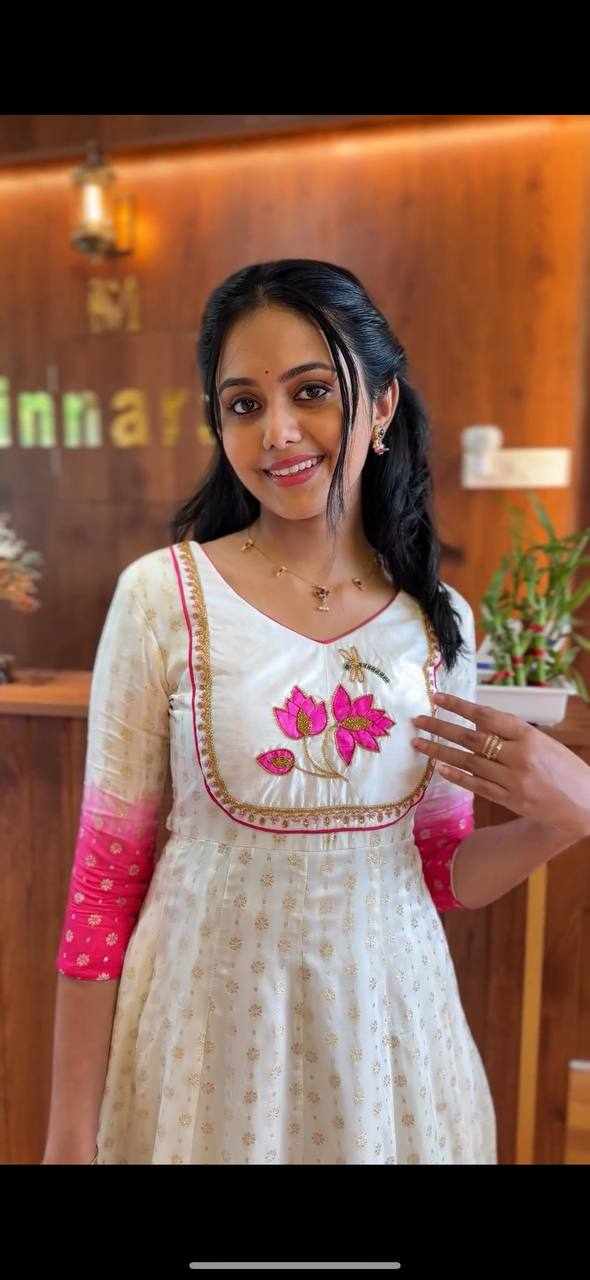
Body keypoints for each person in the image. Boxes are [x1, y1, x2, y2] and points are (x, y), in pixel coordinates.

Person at [42, 259, 590, 1166]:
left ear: (381, 406)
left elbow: (441, 871)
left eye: (312, 391)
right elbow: (105, 883)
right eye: (243, 404)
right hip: (205, 1043)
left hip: (387, 1043)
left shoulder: (440, 623)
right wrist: (68, 1132)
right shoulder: (162, 598)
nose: (278, 432)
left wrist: (566, 818)